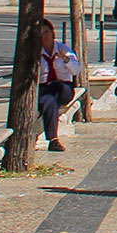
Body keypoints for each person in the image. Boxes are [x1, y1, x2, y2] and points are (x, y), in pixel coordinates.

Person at [36, 19, 82, 153]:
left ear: (52, 33)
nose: (44, 36)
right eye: (40, 33)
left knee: (55, 91)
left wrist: (65, 59)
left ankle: (52, 138)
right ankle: (53, 140)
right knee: (49, 100)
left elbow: (76, 70)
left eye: (46, 32)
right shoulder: (35, 53)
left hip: (64, 88)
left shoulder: (64, 49)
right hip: (44, 88)